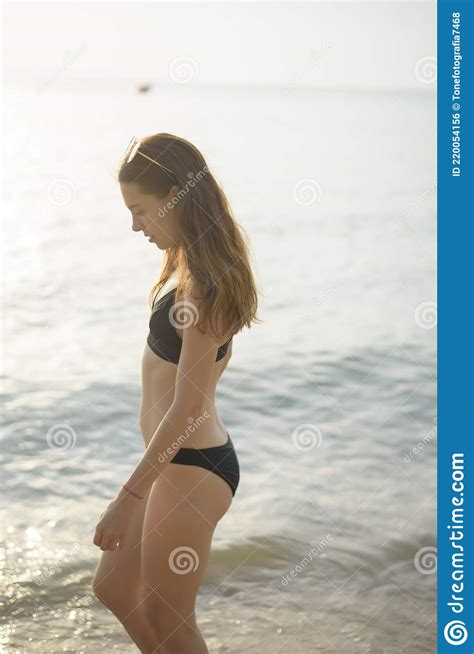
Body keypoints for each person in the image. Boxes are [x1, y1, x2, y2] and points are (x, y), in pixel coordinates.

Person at [91, 133, 261, 653]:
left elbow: (188, 408)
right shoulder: (186, 266)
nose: (136, 226)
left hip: (193, 465)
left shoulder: (206, 285)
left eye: (141, 211)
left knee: (171, 619)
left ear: (174, 198)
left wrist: (128, 497)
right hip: (172, 460)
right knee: (114, 588)